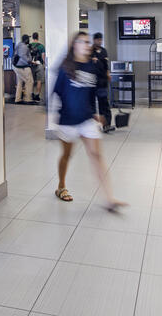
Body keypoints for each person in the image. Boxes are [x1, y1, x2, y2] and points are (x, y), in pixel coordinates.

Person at [52, 32, 124, 211]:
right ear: (74, 45)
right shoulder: (65, 67)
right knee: (67, 156)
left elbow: (93, 93)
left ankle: (109, 199)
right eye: (82, 42)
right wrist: (48, 114)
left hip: (86, 120)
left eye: (88, 42)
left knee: (96, 156)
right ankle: (61, 186)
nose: (87, 45)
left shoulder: (92, 67)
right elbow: (56, 92)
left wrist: (95, 114)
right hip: (68, 121)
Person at [91, 32, 114, 133]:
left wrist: (108, 74)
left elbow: (106, 65)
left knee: (104, 104)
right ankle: (92, 126)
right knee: (91, 106)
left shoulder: (104, 51)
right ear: (94, 40)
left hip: (103, 82)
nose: (99, 42)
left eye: (101, 40)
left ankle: (106, 125)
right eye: (98, 40)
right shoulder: (90, 51)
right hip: (92, 82)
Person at [13, 34, 34, 104]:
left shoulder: (19, 44)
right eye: (28, 39)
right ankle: (27, 99)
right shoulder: (24, 47)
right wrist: (30, 61)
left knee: (20, 82)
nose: (29, 40)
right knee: (29, 81)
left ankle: (18, 99)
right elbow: (23, 56)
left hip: (16, 66)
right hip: (21, 66)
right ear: (26, 40)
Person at [30, 32, 45, 102]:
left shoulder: (29, 46)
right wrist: (44, 63)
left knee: (32, 81)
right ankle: (37, 95)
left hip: (31, 65)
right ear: (38, 37)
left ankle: (32, 94)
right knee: (39, 81)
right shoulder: (41, 46)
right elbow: (43, 56)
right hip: (39, 65)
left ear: (32, 37)